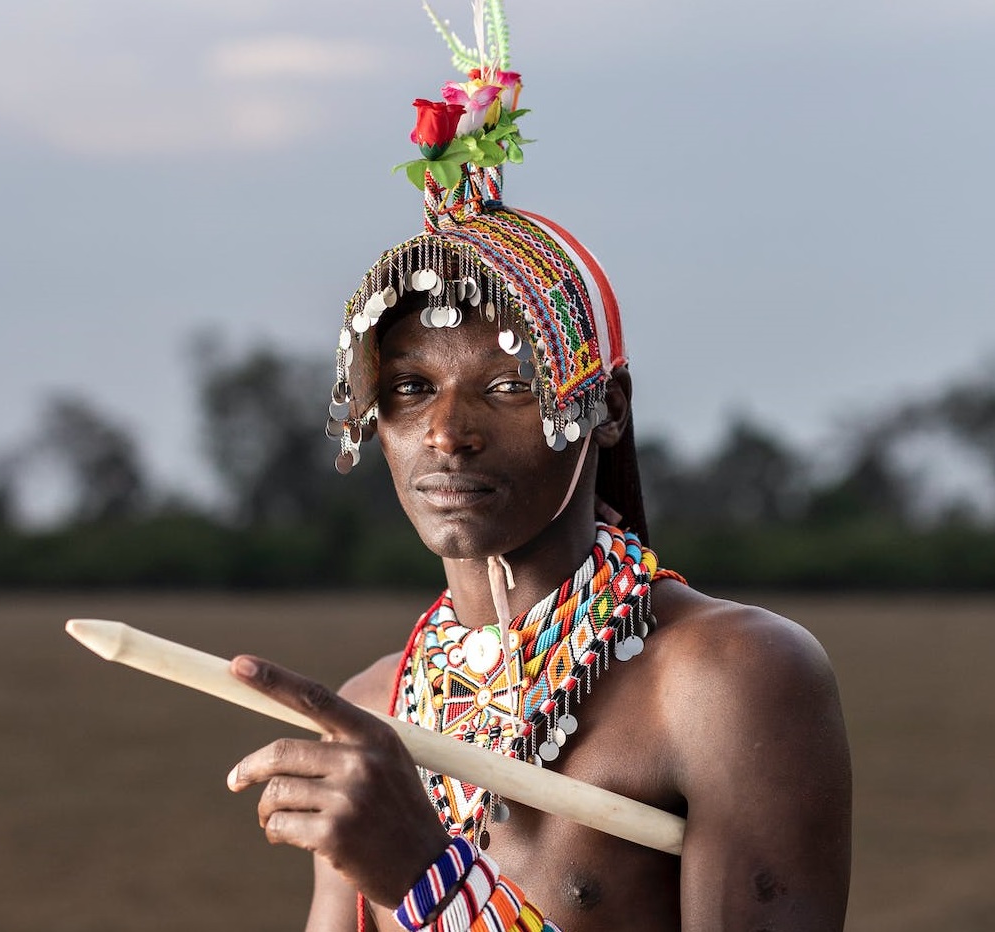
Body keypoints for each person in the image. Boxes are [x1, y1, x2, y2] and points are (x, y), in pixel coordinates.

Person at [224, 4, 851, 929]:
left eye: (510, 386)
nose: (447, 433)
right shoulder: (373, 709)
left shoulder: (727, 679)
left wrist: (430, 880)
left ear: (608, 410)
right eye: (409, 389)